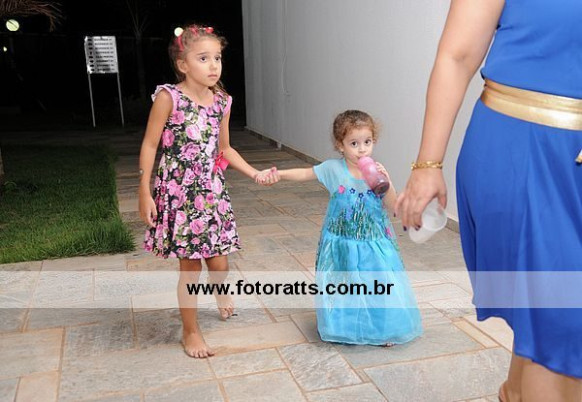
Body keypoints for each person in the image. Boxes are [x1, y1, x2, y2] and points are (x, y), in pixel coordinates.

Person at [395, 1, 582, 400]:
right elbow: (457, 56)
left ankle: (515, 392)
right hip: (524, 152)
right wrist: (428, 164)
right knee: (565, 324)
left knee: (548, 318)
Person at [138, 24, 277, 358]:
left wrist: (254, 173)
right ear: (183, 64)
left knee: (219, 265)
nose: (214, 65)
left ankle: (220, 290)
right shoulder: (168, 98)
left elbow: (224, 149)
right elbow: (150, 144)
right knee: (191, 268)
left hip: (212, 194)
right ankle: (191, 331)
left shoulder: (222, 102)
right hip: (179, 194)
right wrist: (144, 191)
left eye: (217, 57)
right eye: (203, 58)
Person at [276, 110, 422, 345]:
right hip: (342, 241)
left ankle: (384, 330)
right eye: (354, 143)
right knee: (346, 285)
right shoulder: (333, 169)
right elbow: (304, 173)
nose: (362, 150)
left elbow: (393, 206)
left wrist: (388, 182)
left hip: (373, 242)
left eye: (367, 142)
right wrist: (279, 174)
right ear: (340, 145)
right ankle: (347, 327)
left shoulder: (377, 173)